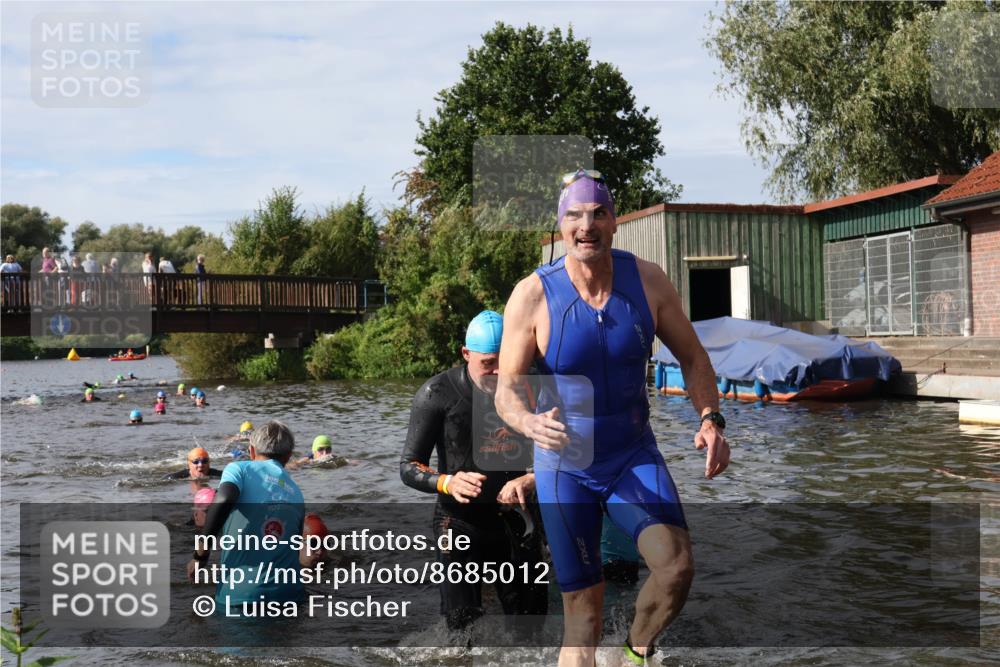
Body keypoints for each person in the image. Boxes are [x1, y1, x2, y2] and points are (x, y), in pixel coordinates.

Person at [495, 169, 731, 666]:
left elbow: (693, 357)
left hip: (631, 454)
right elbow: (507, 390)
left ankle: (633, 654)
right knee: (583, 618)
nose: (588, 225)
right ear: (561, 225)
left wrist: (710, 418)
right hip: (566, 466)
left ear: (614, 221)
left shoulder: (647, 281)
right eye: (576, 216)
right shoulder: (533, 295)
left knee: (676, 568)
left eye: (599, 213)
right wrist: (526, 422)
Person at [400, 310, 547, 630]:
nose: (497, 372)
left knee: (532, 628)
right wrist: (445, 482)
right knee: (461, 628)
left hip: (518, 518)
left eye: (503, 360)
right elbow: (408, 466)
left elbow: (570, 450)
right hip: (459, 521)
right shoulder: (436, 393)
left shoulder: (532, 383)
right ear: (466, 354)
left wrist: (534, 476)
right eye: (487, 363)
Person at [187, 421, 306, 612]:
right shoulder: (296, 492)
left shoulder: (239, 469)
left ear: (251, 451)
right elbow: (295, 547)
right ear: (288, 456)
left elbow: (224, 499)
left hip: (242, 598)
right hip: (290, 597)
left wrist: (200, 556)